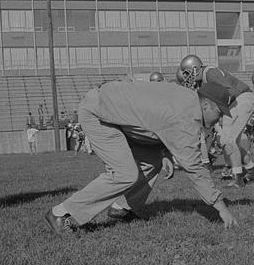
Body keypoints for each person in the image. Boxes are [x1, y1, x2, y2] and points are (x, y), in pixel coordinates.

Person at [43, 79, 237, 234]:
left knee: (152, 163)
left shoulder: (186, 99)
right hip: (99, 112)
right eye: (219, 113)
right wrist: (221, 207)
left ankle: (122, 208)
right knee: (124, 174)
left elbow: (154, 119)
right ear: (206, 104)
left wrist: (164, 152)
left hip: (112, 109)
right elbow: (195, 168)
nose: (219, 119)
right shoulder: (187, 116)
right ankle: (60, 213)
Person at [178, 54, 254, 188]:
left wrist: (219, 110)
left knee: (227, 140)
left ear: (195, 68)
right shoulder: (204, 79)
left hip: (240, 99)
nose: (187, 77)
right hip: (236, 102)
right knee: (229, 141)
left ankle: (238, 178)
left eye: (187, 73)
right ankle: (252, 172)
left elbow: (228, 91)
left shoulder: (210, 73)